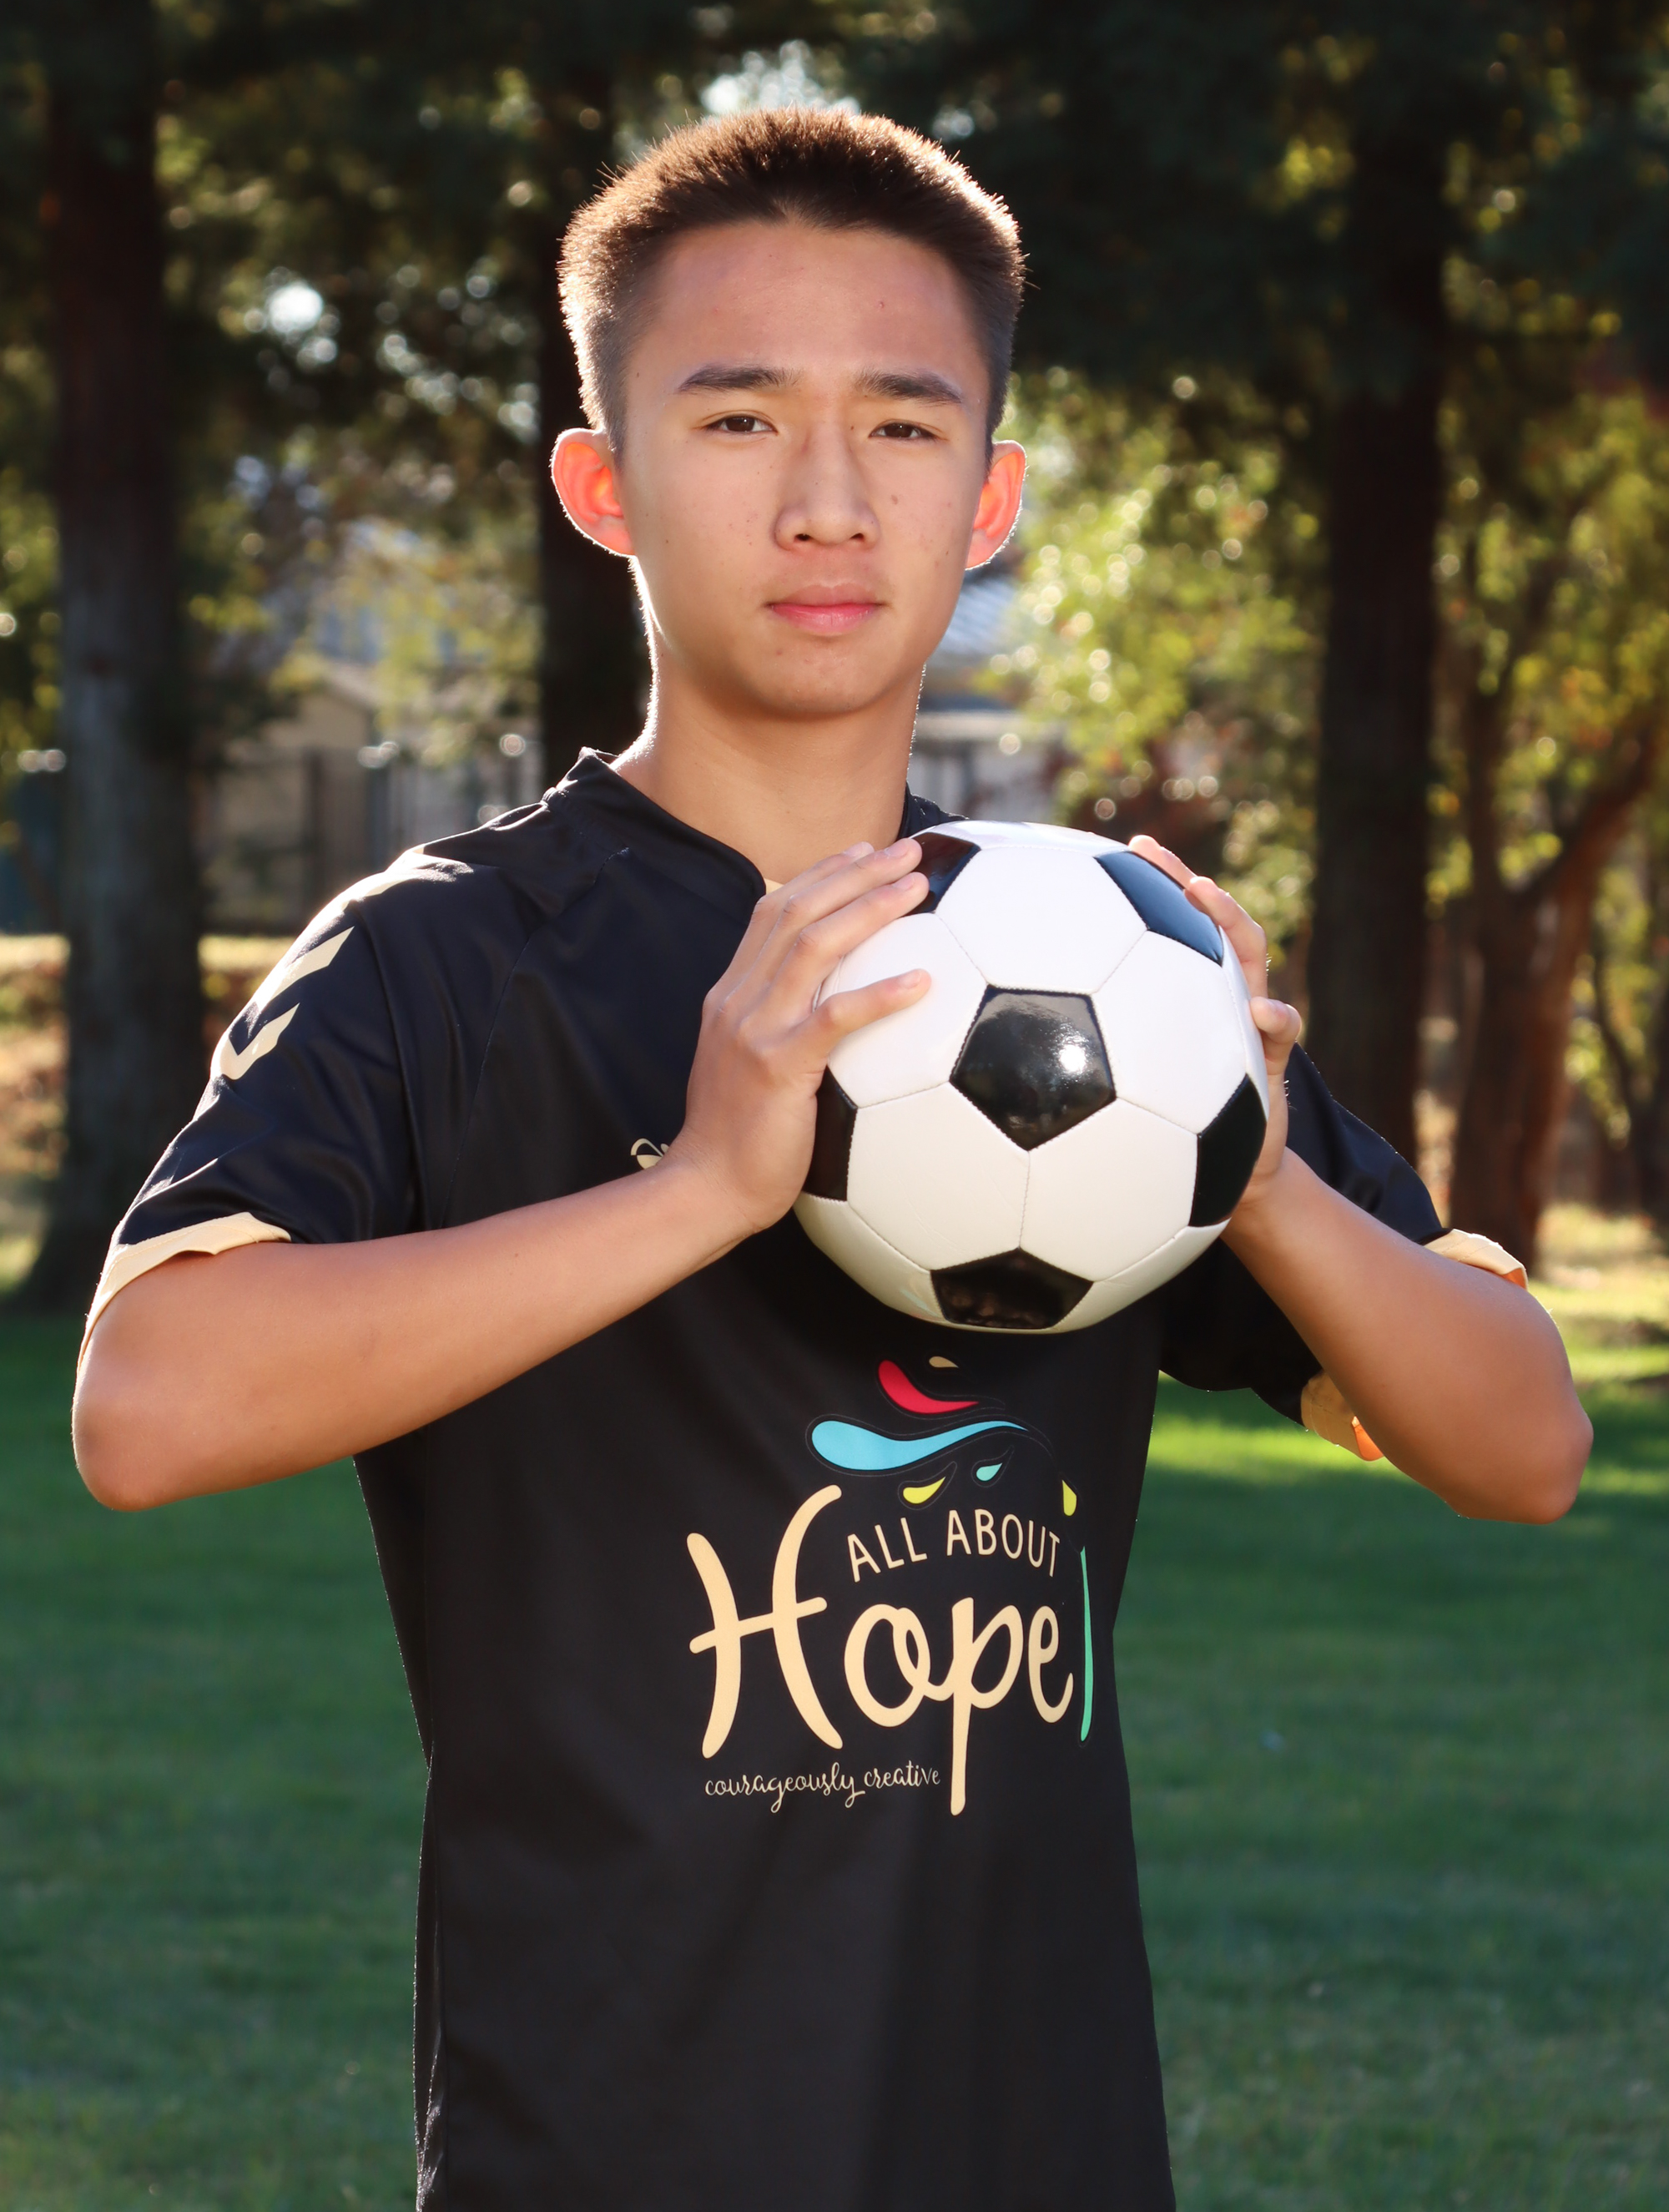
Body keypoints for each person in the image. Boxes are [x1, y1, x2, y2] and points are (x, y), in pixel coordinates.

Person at [73, 109, 1589, 2209]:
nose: (824, 500)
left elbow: (1524, 1445)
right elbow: (146, 1407)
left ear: (990, 497)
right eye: (736, 419)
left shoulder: (1094, 971)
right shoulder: (449, 954)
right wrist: (697, 1185)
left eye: (900, 424)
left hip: (1040, 2141)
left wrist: (1245, 1164)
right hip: (607, 2146)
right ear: (601, 486)